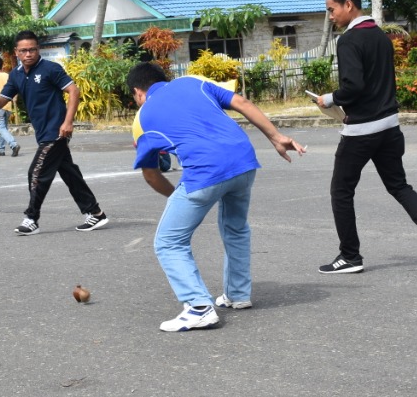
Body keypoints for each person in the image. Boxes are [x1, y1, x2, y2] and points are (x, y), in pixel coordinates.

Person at [128, 63, 305, 331]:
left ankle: (198, 306)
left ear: (138, 92)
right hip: (244, 162)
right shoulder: (192, 81)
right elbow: (241, 102)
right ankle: (238, 294)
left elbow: (152, 175)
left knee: (169, 241)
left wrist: (180, 199)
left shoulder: (142, 118)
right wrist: (276, 136)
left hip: (205, 173)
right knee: (236, 228)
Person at [313, 0, 417, 275]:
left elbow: (353, 87)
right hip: (390, 128)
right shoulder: (379, 35)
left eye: (331, 9)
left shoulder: (349, 40)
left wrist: (329, 99)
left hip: (361, 132)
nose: (331, 16)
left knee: (341, 191)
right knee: (399, 186)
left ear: (348, 5)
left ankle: (350, 256)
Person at [0, 31, 108, 235]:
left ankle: (31, 218)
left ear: (38, 49)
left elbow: (74, 91)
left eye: (32, 49)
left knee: (36, 172)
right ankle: (95, 213)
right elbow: (2, 100)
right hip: (43, 132)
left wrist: (68, 122)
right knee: (69, 173)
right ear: (16, 52)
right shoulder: (15, 75)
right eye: (23, 50)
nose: (28, 54)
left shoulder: (50, 69)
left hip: (57, 130)